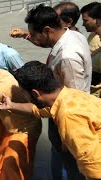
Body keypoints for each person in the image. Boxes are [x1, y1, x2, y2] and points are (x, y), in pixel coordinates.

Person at [11, 4, 92, 179]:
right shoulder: (73, 34)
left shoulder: (68, 58)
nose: (31, 37)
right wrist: (26, 35)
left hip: (68, 118)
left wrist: (66, 138)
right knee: (61, 161)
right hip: (60, 111)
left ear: (47, 30)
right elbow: (47, 42)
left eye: (34, 34)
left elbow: (75, 99)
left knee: (71, 167)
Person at [0, 61, 101, 180]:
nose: (24, 96)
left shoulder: (68, 115)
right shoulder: (69, 95)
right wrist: (11, 105)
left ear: (35, 93)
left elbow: (94, 168)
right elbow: (38, 111)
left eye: (23, 93)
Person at [81, 2, 101, 97]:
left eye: (86, 20)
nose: (83, 24)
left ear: (96, 20)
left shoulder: (97, 39)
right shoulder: (93, 35)